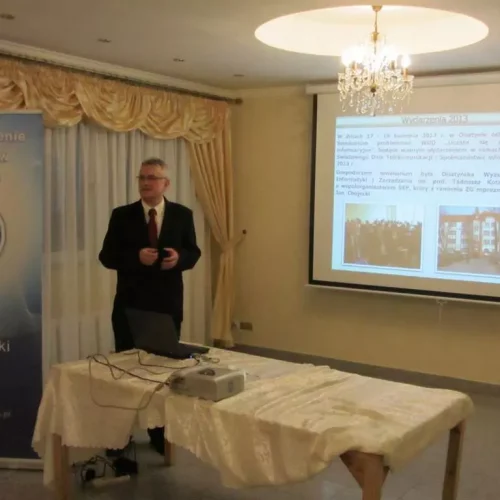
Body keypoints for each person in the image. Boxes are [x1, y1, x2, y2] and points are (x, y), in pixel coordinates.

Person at [99, 157, 201, 455]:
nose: (145, 183)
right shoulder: (122, 215)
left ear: (165, 184)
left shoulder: (182, 214)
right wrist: (135, 258)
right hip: (129, 307)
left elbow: (193, 252)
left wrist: (178, 260)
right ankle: (121, 437)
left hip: (167, 307)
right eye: (142, 177)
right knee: (126, 372)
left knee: (162, 372)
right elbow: (106, 256)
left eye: (152, 178)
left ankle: (160, 434)